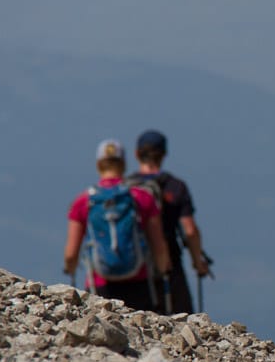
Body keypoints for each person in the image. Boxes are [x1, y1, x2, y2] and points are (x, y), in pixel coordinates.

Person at [63, 138, 171, 311]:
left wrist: (70, 269)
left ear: (99, 164)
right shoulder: (142, 197)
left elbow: (71, 254)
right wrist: (163, 272)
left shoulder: (83, 201)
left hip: (99, 284)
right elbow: (159, 246)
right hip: (139, 281)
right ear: (124, 164)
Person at [126, 129, 210, 314]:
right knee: (180, 322)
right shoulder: (175, 186)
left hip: (131, 266)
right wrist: (198, 262)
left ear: (136, 154)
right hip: (169, 265)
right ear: (164, 154)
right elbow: (189, 230)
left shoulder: (125, 187)